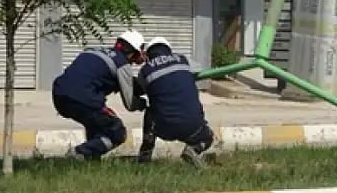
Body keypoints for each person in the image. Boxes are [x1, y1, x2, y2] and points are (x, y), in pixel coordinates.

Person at [52, 30, 146, 160]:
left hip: (59, 94)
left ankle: (91, 161)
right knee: (117, 132)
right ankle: (79, 154)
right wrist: (142, 103)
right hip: (84, 98)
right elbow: (129, 104)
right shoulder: (122, 65)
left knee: (96, 126)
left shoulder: (94, 51)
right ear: (134, 51)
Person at [135, 36, 218, 168]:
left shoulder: (145, 70)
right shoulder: (184, 59)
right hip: (193, 127)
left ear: (149, 53)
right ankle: (194, 149)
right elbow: (199, 70)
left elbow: (140, 88)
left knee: (150, 111)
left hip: (164, 127)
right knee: (208, 136)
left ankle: (145, 157)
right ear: (169, 50)